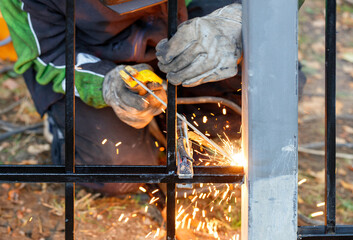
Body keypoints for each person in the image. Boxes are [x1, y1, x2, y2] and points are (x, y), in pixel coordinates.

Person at [1, 0, 305, 196]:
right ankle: (70, 131)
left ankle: (169, 128)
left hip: (185, 28)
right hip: (93, 57)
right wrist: (106, 84)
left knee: (274, 87)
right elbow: (49, 55)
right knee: (119, 172)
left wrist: (236, 21)